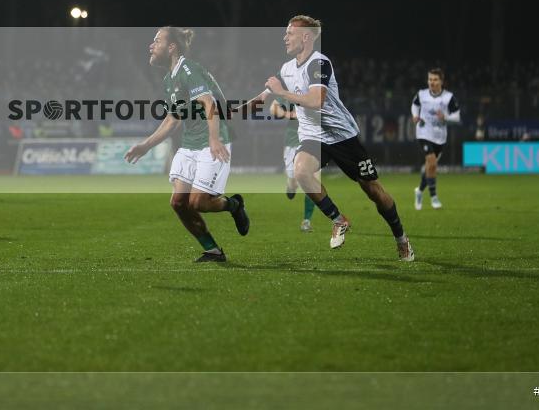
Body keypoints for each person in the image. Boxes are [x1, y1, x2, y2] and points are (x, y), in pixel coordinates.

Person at [244, 15, 414, 261]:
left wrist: (283, 93)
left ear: (306, 37)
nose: (285, 37)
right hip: (315, 136)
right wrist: (231, 112)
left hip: (342, 136)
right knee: (301, 171)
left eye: (290, 33)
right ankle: (339, 219)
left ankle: (401, 238)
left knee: (373, 191)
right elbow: (263, 97)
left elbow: (316, 101)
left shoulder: (319, 63)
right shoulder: (287, 68)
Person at [124, 27, 249, 263]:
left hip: (212, 140)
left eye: (157, 41)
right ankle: (213, 251)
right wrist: (145, 145)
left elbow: (208, 102)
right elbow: (173, 119)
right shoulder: (168, 79)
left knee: (198, 202)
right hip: (190, 144)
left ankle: (234, 205)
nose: (151, 46)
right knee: (179, 202)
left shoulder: (187, 69)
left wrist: (214, 138)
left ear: (172, 47)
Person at [412, 68, 461, 210]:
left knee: (430, 166)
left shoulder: (448, 97)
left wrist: (445, 117)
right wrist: (415, 116)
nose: (432, 82)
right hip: (423, 132)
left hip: (440, 136)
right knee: (432, 162)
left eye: (435, 80)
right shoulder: (422, 94)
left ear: (441, 81)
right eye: (430, 79)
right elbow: (414, 105)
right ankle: (433, 197)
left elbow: (457, 116)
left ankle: (419, 191)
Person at [270, 99, 315, 232]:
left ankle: (306, 221)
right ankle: (291, 186)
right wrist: (290, 114)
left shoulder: (316, 93)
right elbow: (273, 108)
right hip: (292, 142)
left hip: (312, 141)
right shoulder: (292, 91)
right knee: (293, 182)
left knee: (312, 182)